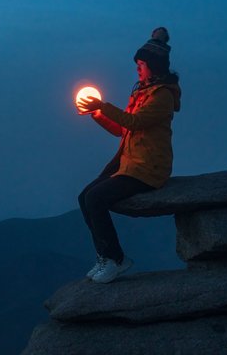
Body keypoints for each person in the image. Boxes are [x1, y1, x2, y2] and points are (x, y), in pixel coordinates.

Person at [76, 27, 182, 284]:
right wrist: (97, 114)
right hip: (129, 164)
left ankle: (115, 260)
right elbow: (123, 130)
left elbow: (134, 122)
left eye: (142, 64)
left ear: (153, 66)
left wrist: (103, 105)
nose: (138, 68)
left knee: (96, 198)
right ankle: (106, 256)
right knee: (85, 196)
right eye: (138, 64)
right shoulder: (141, 93)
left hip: (148, 169)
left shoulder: (163, 96)